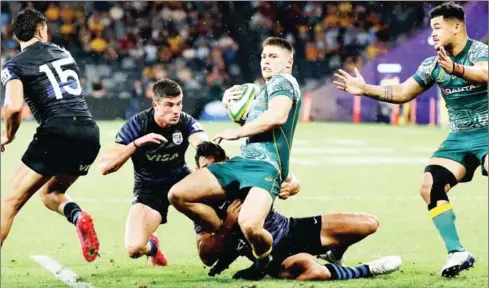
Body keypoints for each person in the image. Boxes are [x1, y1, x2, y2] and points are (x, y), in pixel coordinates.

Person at [333, 2, 487, 278]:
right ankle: (457, 252)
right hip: (458, 138)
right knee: (430, 185)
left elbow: (485, 74)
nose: (434, 35)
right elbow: (403, 92)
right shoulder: (433, 64)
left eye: (438, 28)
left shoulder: (479, 52)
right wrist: (365, 88)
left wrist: (457, 70)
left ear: (456, 26)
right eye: (431, 29)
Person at [169, 36, 302, 275]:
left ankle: (262, 261)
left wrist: (237, 132)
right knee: (178, 194)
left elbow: (277, 117)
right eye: (263, 56)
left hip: (266, 168)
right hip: (243, 162)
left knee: (251, 226)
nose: (266, 61)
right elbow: (256, 121)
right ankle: (225, 231)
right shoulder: (264, 91)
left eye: (273, 56)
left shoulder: (284, 81)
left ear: (289, 62)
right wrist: (230, 105)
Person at [192, 141, 402, 281]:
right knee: (311, 270)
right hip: (275, 255)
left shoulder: (244, 173)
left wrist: (293, 186)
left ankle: (334, 256)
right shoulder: (201, 203)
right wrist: (228, 224)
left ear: (227, 164)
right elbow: (207, 257)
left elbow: (289, 177)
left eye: (217, 168)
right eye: (208, 170)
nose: (214, 175)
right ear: (199, 172)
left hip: (291, 228)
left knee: (368, 223)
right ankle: (364, 271)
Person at [0, 8, 100, 262]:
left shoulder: (13, 65)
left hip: (57, 132)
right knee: (50, 194)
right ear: (41, 30)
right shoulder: (63, 53)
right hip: (89, 133)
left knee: (10, 201)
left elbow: (12, 106)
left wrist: (8, 135)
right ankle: (78, 216)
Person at [99, 79, 208, 266]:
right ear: (155, 105)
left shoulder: (185, 121)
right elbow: (105, 167)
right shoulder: (138, 124)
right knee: (134, 249)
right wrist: (136, 144)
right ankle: (153, 248)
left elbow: (203, 144)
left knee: (209, 254)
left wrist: (204, 154)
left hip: (181, 182)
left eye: (179, 104)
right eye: (169, 105)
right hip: (149, 188)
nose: (176, 110)